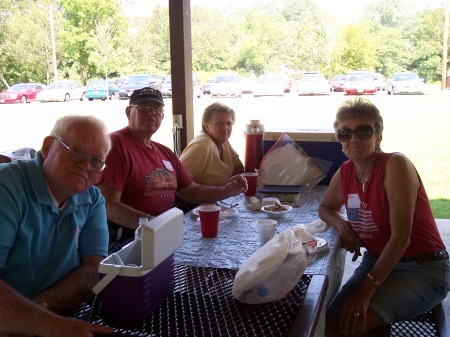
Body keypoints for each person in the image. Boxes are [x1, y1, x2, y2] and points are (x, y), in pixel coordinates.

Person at [318, 98, 449, 337]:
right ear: (340, 140)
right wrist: (343, 224)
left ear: (378, 136)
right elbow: (326, 208)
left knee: (350, 325)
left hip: (422, 267)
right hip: (376, 261)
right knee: (327, 324)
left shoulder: (395, 164)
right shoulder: (346, 171)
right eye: (345, 133)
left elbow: (401, 238)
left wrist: (364, 293)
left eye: (363, 131)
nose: (354, 139)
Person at [0, 115, 114, 337]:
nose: (84, 166)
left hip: (47, 317)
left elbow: (94, 269)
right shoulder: (6, 188)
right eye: (76, 152)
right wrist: (48, 324)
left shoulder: (92, 198)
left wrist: (40, 311)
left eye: (96, 161)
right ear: (48, 146)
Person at [95, 87, 247, 253]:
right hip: (131, 239)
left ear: (162, 115)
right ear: (128, 111)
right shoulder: (116, 145)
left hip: (165, 235)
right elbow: (108, 204)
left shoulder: (164, 152)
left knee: (230, 249)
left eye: (157, 109)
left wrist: (226, 190)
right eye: (144, 107)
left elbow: (193, 192)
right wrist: (153, 225)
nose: (151, 113)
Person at [180, 102, 244, 186]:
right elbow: (179, 177)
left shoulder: (223, 141)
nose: (225, 127)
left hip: (221, 198)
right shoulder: (202, 146)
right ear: (207, 126)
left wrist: (227, 188)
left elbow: (239, 167)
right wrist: (210, 192)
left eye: (228, 123)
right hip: (201, 198)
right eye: (219, 123)